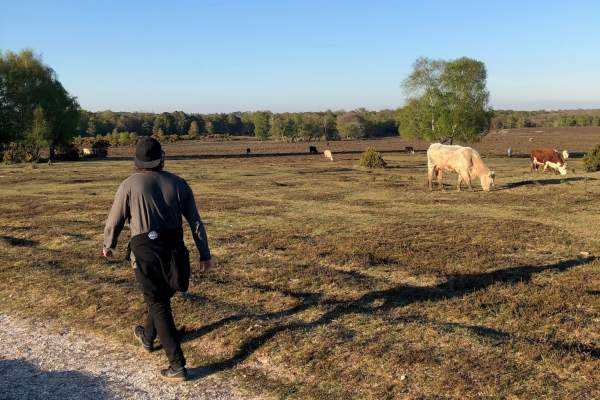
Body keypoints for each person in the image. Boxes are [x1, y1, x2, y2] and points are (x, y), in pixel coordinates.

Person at [102, 137, 212, 382]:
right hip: (174, 250)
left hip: (145, 250)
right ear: (162, 158)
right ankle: (147, 336)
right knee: (159, 298)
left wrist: (108, 244)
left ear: (136, 161)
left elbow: (114, 220)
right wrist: (204, 253)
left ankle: (177, 365)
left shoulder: (128, 185)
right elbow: (195, 222)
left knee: (158, 303)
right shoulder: (179, 184)